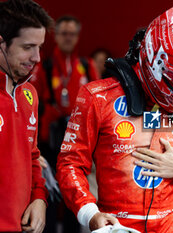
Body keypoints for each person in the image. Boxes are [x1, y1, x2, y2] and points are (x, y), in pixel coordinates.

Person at [56, 3, 173, 232]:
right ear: (156, 60)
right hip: (116, 226)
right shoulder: (97, 97)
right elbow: (69, 164)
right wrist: (90, 214)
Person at [30, 15, 99, 233]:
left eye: (72, 34)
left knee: (74, 197)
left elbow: (99, 104)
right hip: (49, 143)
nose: (68, 38)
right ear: (56, 36)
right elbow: (32, 102)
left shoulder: (87, 66)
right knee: (49, 196)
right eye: (63, 33)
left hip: (78, 145)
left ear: (77, 37)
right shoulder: (45, 66)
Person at [0, 0, 53, 232]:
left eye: (39, 47)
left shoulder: (29, 94)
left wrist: (39, 199)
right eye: (27, 47)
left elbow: (32, 156)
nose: (37, 57)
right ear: (1, 44)